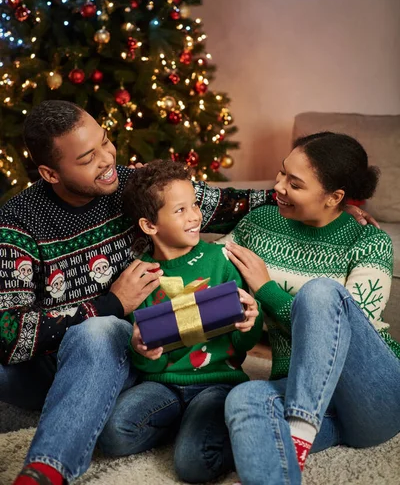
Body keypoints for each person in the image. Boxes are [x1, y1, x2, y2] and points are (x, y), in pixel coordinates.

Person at [1, 100, 275, 485]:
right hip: (60, 360)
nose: (107, 158)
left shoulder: (131, 185)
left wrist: (312, 199)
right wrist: (111, 303)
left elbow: (228, 205)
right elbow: (7, 334)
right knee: (76, 338)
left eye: (106, 141)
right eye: (87, 157)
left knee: (99, 332)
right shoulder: (18, 222)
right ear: (50, 172)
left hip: (133, 350)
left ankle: (47, 469)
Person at [223, 132, 400, 485]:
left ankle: (299, 428)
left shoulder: (369, 241)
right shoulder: (259, 225)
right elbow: (212, 270)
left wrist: (266, 289)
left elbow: (341, 335)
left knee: (320, 293)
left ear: (334, 197)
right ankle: (292, 450)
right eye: (281, 173)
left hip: (371, 398)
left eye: (295, 183)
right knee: (244, 397)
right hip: (297, 387)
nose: (278, 186)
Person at [97, 159, 263, 483]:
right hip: (164, 386)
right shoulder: (140, 277)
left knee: (193, 465)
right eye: (180, 210)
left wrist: (250, 321)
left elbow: (242, 345)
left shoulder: (220, 261)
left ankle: (220, 427)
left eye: (195, 205)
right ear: (149, 226)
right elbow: (145, 360)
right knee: (112, 434)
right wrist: (140, 349)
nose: (195, 216)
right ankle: (185, 425)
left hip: (217, 383)